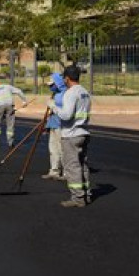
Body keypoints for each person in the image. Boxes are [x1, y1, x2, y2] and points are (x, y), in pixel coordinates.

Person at [48, 65, 92, 208]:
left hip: (71, 134)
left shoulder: (70, 93)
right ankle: (86, 194)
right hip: (83, 133)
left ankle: (78, 198)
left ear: (67, 78)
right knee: (82, 165)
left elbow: (66, 115)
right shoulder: (85, 92)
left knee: (72, 167)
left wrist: (53, 106)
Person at [0, 79, 28, 147]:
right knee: (10, 125)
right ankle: (10, 142)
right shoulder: (7, 86)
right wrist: (24, 101)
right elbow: (19, 91)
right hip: (10, 106)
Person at [42, 73, 67, 180]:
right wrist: (47, 124)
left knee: (63, 149)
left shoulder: (66, 95)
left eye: (52, 85)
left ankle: (66, 172)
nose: (50, 87)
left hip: (62, 126)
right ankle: (54, 170)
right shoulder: (56, 94)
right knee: (53, 149)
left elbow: (65, 112)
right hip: (53, 124)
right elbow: (52, 112)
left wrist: (52, 105)